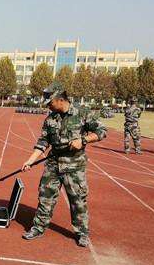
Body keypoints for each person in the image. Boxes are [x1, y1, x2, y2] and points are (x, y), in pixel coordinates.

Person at [21, 83, 107, 247]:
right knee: (45, 197)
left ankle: (82, 233)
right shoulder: (50, 119)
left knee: (78, 200)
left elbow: (102, 131)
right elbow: (43, 142)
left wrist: (83, 140)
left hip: (74, 166)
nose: (48, 106)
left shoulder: (82, 113)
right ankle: (38, 227)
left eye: (50, 103)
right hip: (53, 165)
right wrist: (30, 160)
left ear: (60, 100)